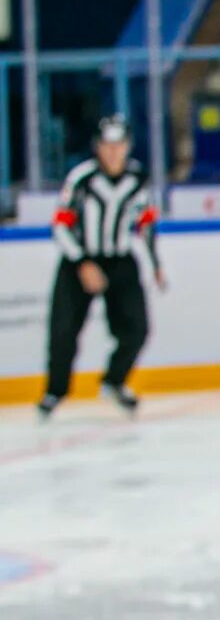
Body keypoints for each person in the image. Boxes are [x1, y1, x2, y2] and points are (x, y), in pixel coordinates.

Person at [38, 115, 164, 421]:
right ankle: (55, 391)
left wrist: (155, 264)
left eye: (118, 145)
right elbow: (61, 225)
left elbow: (145, 224)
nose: (112, 152)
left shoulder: (138, 180)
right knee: (63, 330)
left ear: (127, 146)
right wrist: (82, 263)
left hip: (120, 261)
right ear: (97, 147)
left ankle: (115, 381)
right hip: (79, 261)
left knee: (137, 327)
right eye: (107, 145)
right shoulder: (82, 178)